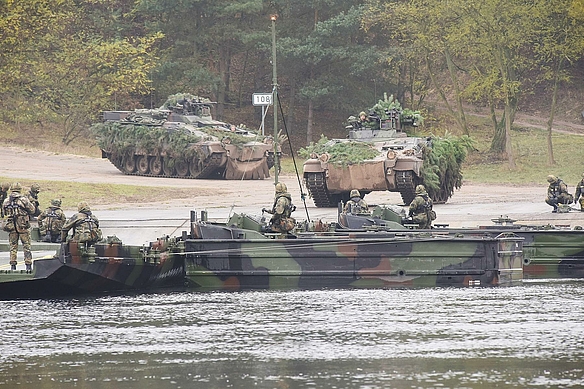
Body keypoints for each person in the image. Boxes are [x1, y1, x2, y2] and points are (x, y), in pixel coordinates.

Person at [2, 182, 36, 272]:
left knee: (13, 246)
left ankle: (13, 265)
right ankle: (28, 265)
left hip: (11, 226)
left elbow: (4, 212)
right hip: (23, 226)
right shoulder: (23, 199)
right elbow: (32, 210)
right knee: (26, 246)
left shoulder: (6, 200)